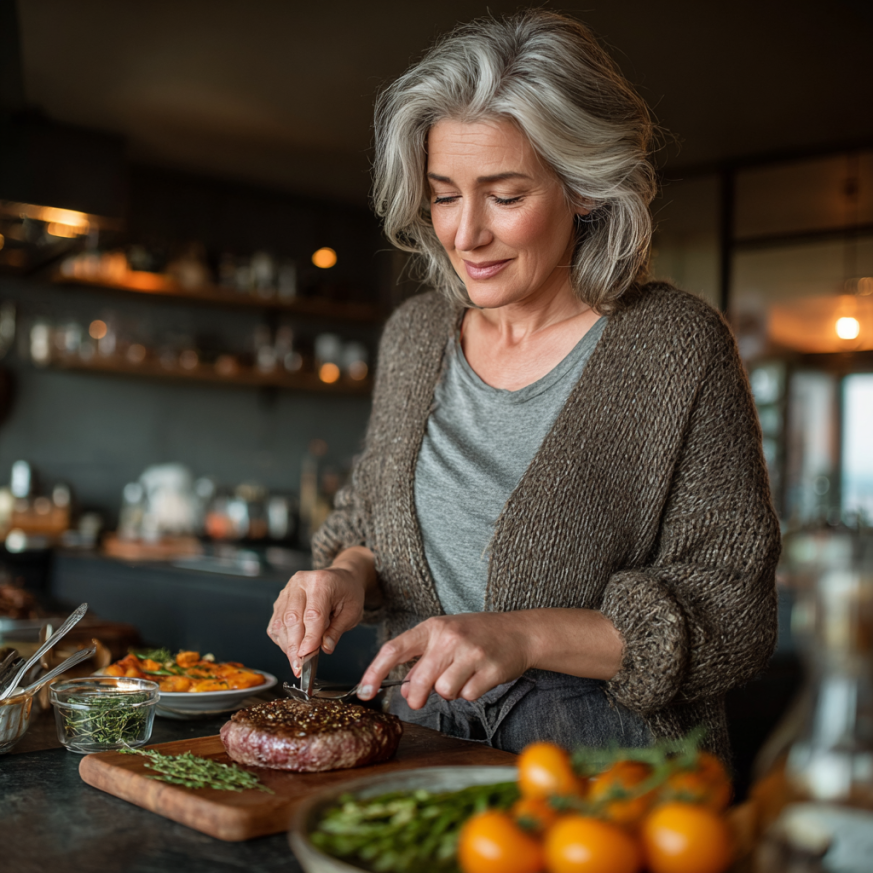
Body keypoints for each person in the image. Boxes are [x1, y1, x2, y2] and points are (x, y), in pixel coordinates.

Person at [268, 10, 780, 760]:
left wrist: (525, 635)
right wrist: (345, 573)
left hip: (605, 773)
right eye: (444, 194)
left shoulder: (675, 347)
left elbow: (735, 615)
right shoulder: (414, 335)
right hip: (417, 752)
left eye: (505, 196)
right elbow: (366, 518)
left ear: (584, 189)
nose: (464, 233)